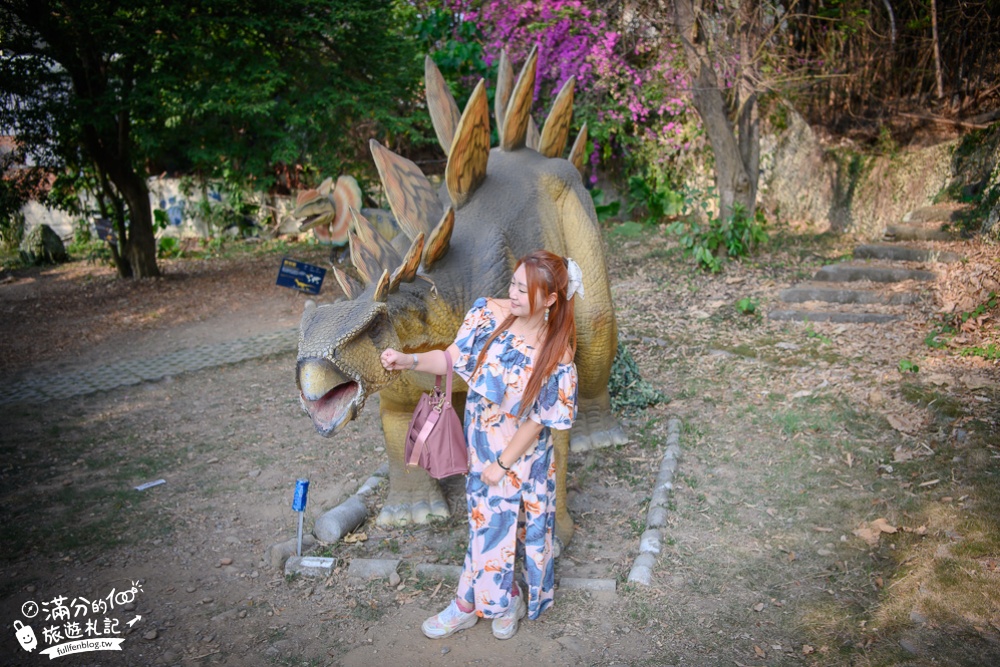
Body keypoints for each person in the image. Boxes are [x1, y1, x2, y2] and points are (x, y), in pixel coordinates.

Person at [380, 250, 581, 641]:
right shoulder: (488, 314)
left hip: (518, 456)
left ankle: (476, 603)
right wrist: (409, 361)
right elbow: (451, 359)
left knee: (495, 528)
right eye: (513, 284)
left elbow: (539, 422)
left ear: (552, 298)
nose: (515, 293)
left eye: (526, 289)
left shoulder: (557, 352)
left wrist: (502, 465)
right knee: (486, 526)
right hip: (480, 445)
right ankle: (498, 601)